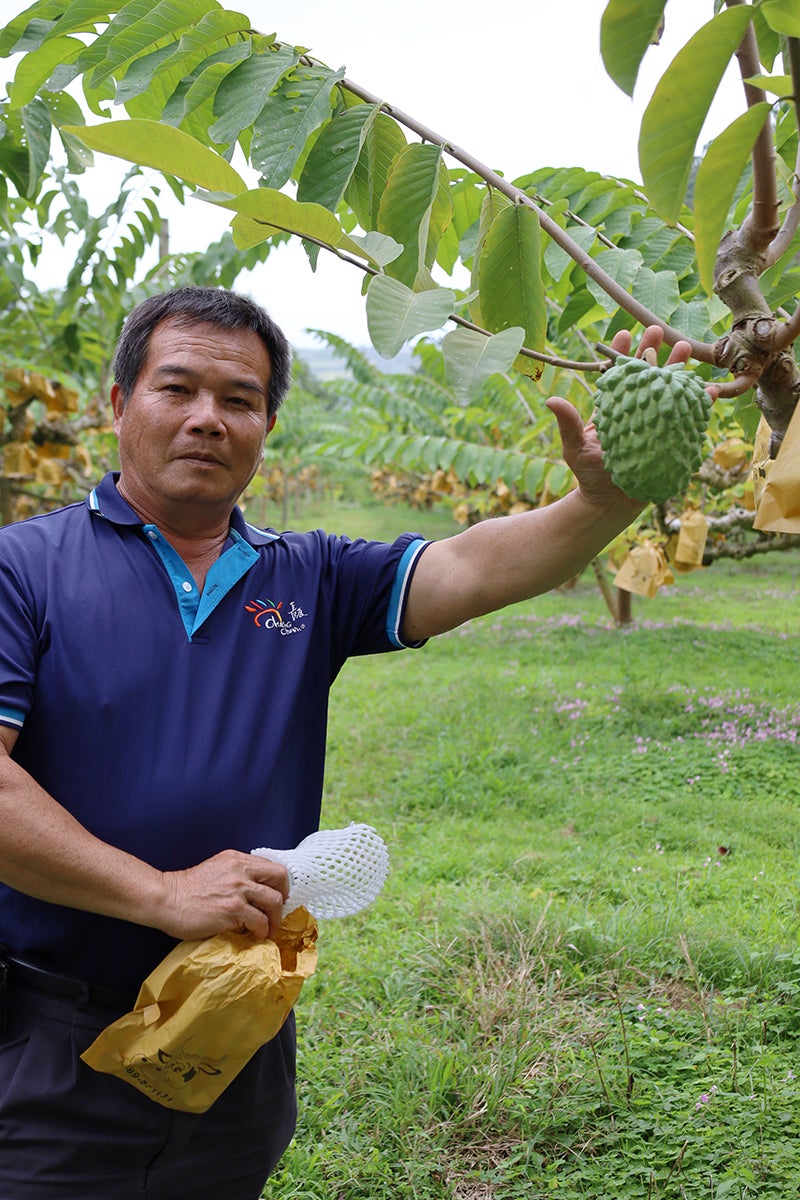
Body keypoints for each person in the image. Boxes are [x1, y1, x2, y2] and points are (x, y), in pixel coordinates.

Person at [0, 285, 699, 1198]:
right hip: (51, 1037)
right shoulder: (25, 568)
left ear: (267, 425)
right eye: (178, 388)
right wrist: (161, 893)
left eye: (240, 399)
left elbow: (470, 565)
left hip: (233, 1027)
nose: (209, 418)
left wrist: (601, 503)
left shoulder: (310, 575)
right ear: (119, 403)